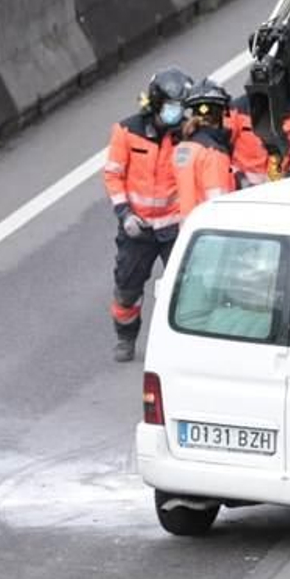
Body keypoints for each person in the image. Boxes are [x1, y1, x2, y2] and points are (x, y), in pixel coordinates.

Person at [104, 66, 191, 363]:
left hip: (174, 226)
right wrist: (125, 214)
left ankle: (181, 347)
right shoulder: (127, 132)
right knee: (127, 290)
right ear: (156, 104)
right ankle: (126, 338)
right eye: (171, 108)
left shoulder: (187, 136)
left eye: (181, 108)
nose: (177, 114)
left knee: (186, 289)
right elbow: (113, 176)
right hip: (137, 228)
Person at [173, 80, 237, 218]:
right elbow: (218, 205)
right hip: (210, 231)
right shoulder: (213, 153)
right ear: (221, 114)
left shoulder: (182, 147)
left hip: (188, 229)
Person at [228, 94, 290, 187]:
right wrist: (240, 179)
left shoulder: (289, 110)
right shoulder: (237, 111)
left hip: (281, 185)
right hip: (248, 189)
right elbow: (222, 151)